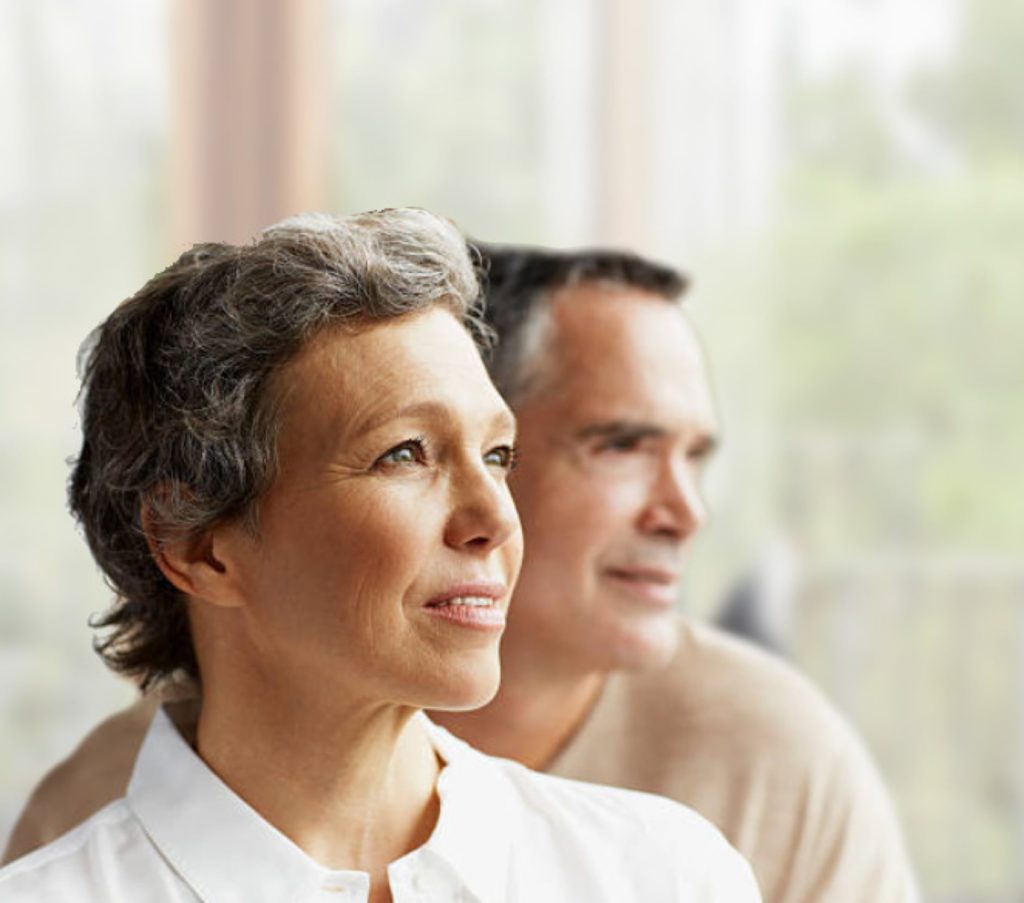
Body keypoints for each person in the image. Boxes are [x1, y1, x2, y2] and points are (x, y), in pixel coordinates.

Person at [0, 213, 759, 902]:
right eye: (406, 453)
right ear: (197, 544)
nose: (495, 516)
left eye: (497, 454)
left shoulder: (667, 875)